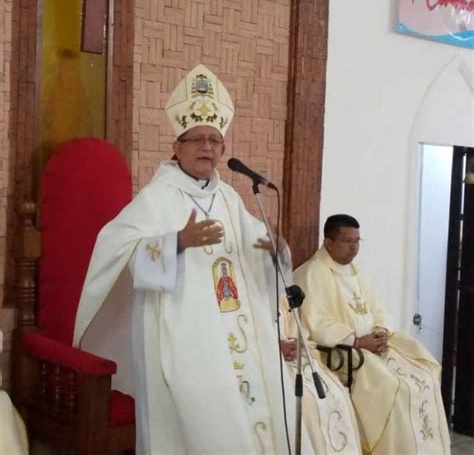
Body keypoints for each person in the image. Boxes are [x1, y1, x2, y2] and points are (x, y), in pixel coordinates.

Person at [73, 64, 311, 454]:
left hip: (240, 330)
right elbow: (120, 252)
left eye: (214, 141)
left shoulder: (232, 199)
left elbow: (260, 258)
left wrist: (277, 248)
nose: (207, 148)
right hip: (184, 334)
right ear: (177, 147)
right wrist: (175, 243)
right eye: (196, 139)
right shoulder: (158, 197)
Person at [294, 214, 451, 455]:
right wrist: (356, 341)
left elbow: (377, 307)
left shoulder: (355, 270)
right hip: (344, 351)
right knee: (395, 387)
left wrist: (381, 331)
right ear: (328, 242)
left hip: (372, 346)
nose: (354, 247)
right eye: (348, 241)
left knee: (425, 375)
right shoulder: (312, 273)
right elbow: (318, 323)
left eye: (358, 240)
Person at [279, 298, 362, 455]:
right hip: (274, 364)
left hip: (297, 359)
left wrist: (296, 341)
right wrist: (276, 346)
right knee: (306, 401)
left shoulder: (281, 296)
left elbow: (298, 328)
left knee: (338, 392)